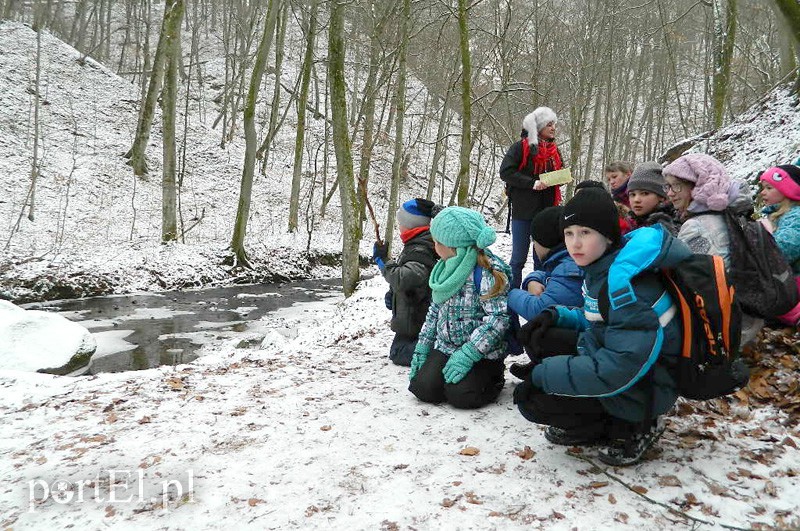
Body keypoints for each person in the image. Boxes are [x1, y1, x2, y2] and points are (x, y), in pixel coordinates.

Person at [513, 188, 690, 466]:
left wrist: (544, 375)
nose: (575, 243)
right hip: (633, 364)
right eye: (569, 233)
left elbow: (619, 367)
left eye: (585, 232)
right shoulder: (605, 267)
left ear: (607, 235)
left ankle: (637, 425)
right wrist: (556, 315)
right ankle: (597, 423)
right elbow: (600, 319)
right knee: (544, 335)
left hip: (649, 382)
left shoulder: (627, 287)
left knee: (537, 399)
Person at [408, 207, 511, 409]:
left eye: (437, 241)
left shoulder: (488, 271)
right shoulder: (444, 268)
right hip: (446, 346)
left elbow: (498, 319)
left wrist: (468, 353)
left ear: (452, 245)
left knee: (461, 396)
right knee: (423, 389)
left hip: (480, 351)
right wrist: (422, 348)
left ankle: (494, 377)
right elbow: (434, 312)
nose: (434, 244)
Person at [662, 153, 763, 343]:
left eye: (676, 186)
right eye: (667, 186)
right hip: (747, 320)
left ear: (698, 187)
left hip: (722, 332)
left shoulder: (699, 226)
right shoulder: (730, 215)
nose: (669, 193)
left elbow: (690, 283)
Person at [506, 206, 584, 380]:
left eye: (535, 241)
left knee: (535, 332)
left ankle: (550, 373)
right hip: (580, 333)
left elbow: (540, 308)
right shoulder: (565, 260)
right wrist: (532, 280)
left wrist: (510, 294)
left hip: (584, 340)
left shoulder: (569, 267)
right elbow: (548, 276)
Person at [499, 107, 564, 288]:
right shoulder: (520, 147)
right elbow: (506, 172)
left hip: (547, 213)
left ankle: (538, 305)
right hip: (523, 211)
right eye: (549, 124)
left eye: (554, 124)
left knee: (541, 260)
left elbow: (560, 172)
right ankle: (511, 304)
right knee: (517, 260)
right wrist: (532, 183)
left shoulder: (554, 151)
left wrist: (560, 177)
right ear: (539, 126)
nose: (553, 128)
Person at [373, 199, 441, 366]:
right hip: (415, 316)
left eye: (401, 223)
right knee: (397, 350)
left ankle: (437, 352)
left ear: (411, 225)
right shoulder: (418, 242)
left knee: (398, 353)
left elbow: (403, 278)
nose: (399, 227)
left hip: (419, 318)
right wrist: (393, 296)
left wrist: (382, 261)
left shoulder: (421, 247)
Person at [758, 164, 800, 325]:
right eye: (763, 188)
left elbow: (783, 250)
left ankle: (792, 312)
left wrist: (762, 238)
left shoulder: (796, 216)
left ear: (788, 190)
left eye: (769, 188)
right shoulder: (778, 215)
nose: (762, 192)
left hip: (794, 280)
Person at [626, 161, 679, 235]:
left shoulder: (667, 229)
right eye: (632, 194)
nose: (636, 200)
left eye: (645, 193)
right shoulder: (628, 225)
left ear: (661, 197)